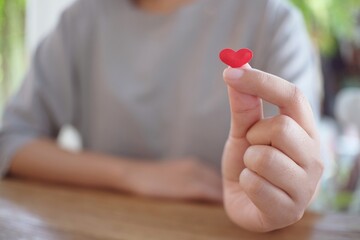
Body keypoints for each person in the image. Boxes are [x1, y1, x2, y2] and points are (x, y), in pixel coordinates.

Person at [0, 0, 323, 232]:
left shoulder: (274, 19)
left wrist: (287, 193)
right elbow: (11, 142)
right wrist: (133, 175)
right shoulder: (81, 19)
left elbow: (306, 168)